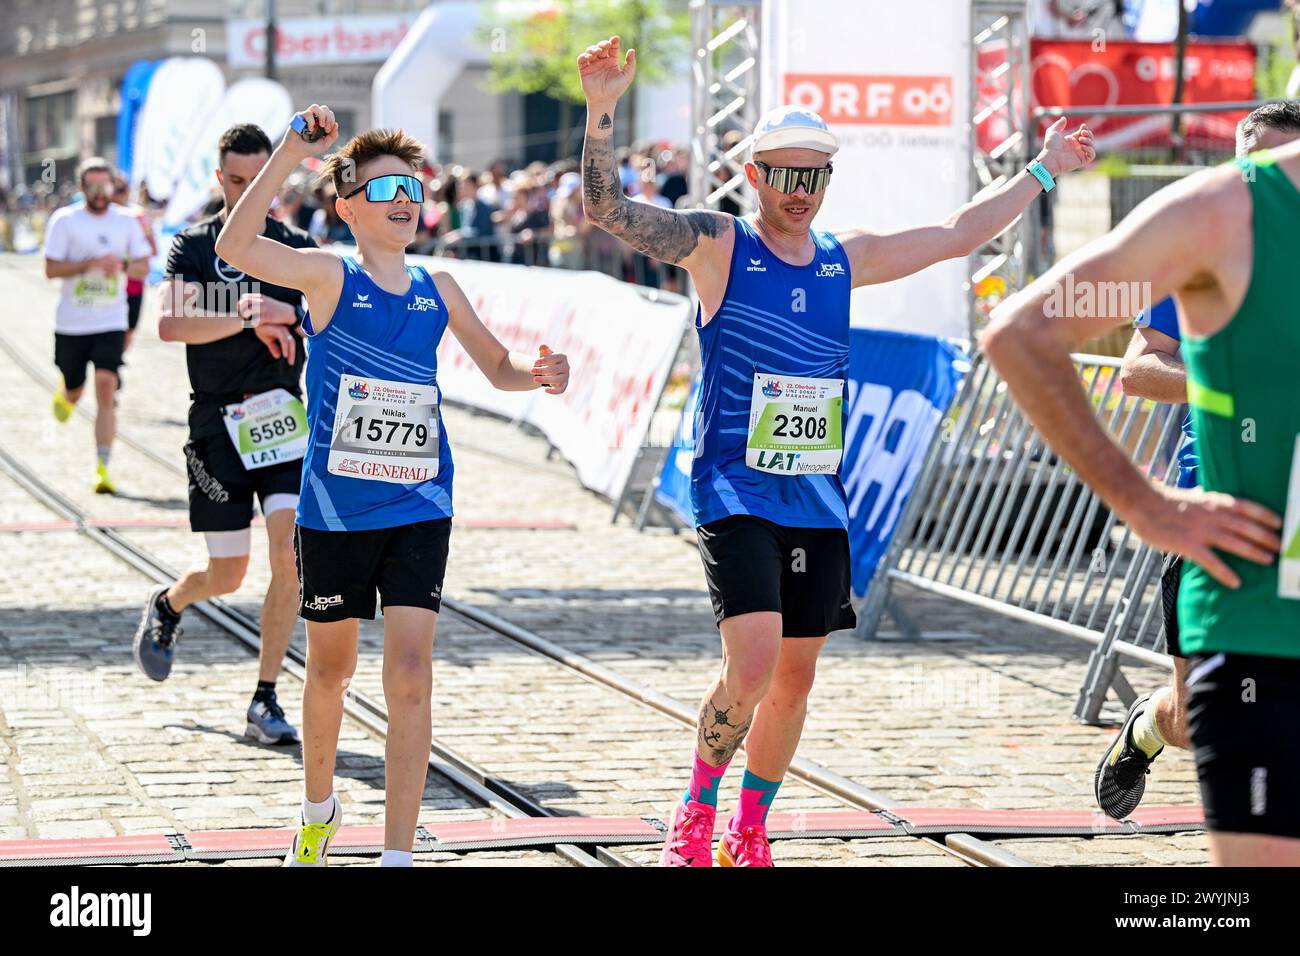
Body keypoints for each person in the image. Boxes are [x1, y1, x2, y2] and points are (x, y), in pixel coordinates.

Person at [577, 36, 1095, 866]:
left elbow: (958, 233)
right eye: (782, 173)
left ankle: (753, 826)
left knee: (793, 681)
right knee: (748, 668)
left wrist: (1042, 169)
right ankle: (696, 811)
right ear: (755, 176)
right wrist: (602, 109)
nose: (798, 191)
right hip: (734, 491)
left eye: (812, 175)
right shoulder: (719, 245)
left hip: (816, 499)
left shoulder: (839, 260)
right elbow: (610, 212)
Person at [214, 105, 570, 867]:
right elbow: (235, 245)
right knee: (332, 673)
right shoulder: (327, 275)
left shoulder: (439, 288)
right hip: (336, 511)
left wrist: (536, 375)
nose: (404, 200)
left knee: (410, 675)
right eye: (384, 190)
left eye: (411, 187)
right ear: (347, 208)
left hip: (420, 503)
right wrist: (288, 153)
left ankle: (399, 855)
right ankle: (318, 810)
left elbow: (499, 367)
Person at [983, 106, 1299, 865]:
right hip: (1241, 558)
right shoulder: (1221, 213)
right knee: (1195, 719)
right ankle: (1148, 729)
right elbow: (1073, 348)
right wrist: (1142, 501)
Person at [1094, 101, 1300, 819]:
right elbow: (1137, 371)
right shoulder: (1203, 255)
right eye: (1253, 170)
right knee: (1209, 716)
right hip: (1214, 504)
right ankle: (1151, 725)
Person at [130, 124, 317, 753]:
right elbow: (171, 323)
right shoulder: (195, 246)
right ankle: (171, 603)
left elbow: (326, 310)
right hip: (216, 423)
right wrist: (244, 315)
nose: (247, 193)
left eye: (259, 182)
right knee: (228, 573)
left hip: (284, 422)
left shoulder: (294, 249)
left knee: (289, 558)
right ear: (220, 179)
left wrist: (287, 313)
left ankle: (265, 696)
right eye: (236, 182)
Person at [43, 158, 153, 494]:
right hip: (72, 323)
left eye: (105, 186)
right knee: (76, 387)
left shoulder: (127, 221)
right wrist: (89, 264)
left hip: (110, 320)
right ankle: (67, 395)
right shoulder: (64, 220)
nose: (99, 193)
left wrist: (118, 263)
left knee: (106, 387)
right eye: (92, 186)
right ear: (81, 188)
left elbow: (143, 267)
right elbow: (50, 269)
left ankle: (102, 467)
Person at [110, 174, 157, 353]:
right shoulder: (97, 217)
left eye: (122, 190)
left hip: (133, 285)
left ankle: (117, 362)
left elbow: (153, 250)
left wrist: (144, 232)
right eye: (114, 191)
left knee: (129, 330)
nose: (118, 196)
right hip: (108, 287)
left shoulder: (137, 214)